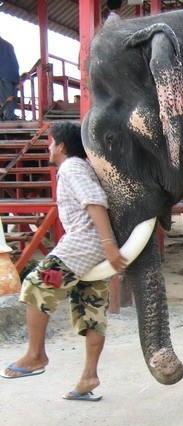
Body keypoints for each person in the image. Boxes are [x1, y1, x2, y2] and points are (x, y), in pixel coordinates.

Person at [0, 122, 127, 402]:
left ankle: (35, 355)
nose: (49, 147)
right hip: (93, 248)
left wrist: (108, 244)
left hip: (83, 245)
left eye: (51, 142)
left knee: (35, 285)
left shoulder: (71, 167)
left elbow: (94, 201)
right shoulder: (81, 167)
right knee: (91, 308)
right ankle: (89, 378)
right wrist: (106, 247)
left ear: (61, 146)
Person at [0, 34, 20, 121]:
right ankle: (11, 116)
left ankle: (9, 117)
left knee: (6, 98)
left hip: (3, 75)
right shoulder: (8, 45)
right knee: (12, 97)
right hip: (13, 75)